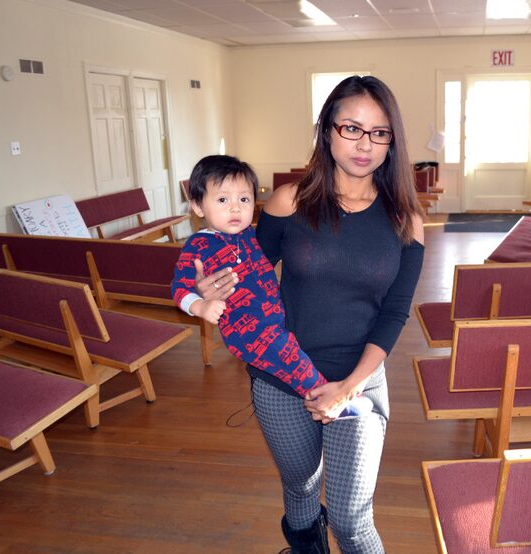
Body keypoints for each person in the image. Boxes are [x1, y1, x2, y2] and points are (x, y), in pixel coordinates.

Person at [193, 76, 424, 553]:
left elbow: (396, 311)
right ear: (327, 130)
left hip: (357, 382)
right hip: (280, 380)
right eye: (352, 128)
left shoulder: (405, 219)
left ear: (392, 141)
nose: (365, 144)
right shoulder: (289, 201)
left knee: (351, 518)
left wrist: (349, 386)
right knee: (300, 489)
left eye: (380, 132)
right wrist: (207, 289)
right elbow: (246, 275)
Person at [171, 155, 372, 418]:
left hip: (273, 317)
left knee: (292, 354)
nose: (235, 208)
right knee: (289, 357)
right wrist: (200, 305)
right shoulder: (198, 245)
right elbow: (179, 287)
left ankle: (330, 392)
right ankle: (328, 398)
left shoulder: (249, 235)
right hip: (248, 329)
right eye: (222, 200)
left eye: (244, 199)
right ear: (198, 206)